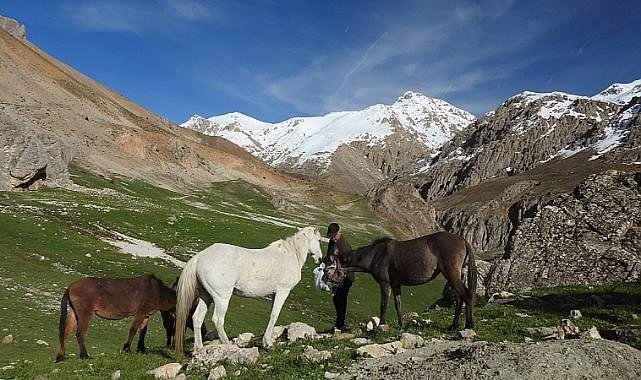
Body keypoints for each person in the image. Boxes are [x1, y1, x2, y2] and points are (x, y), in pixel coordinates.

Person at [322, 222, 354, 332]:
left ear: (337, 233)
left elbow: (348, 263)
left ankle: (340, 324)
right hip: (335, 276)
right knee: (336, 299)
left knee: (341, 299)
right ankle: (339, 323)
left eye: (332, 235)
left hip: (345, 277)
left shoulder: (344, 245)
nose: (331, 237)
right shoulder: (332, 242)